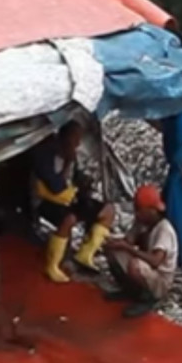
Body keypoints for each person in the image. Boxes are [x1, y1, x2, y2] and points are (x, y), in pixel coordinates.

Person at [34, 121, 116, 282]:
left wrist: (85, 182)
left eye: (79, 139)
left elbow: (76, 180)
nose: (77, 144)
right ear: (63, 138)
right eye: (74, 139)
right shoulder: (46, 155)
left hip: (70, 199)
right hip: (48, 201)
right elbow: (56, 186)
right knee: (68, 219)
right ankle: (52, 265)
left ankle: (85, 254)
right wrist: (67, 163)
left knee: (108, 211)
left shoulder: (72, 155)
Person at [104, 184, 178, 318]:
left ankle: (147, 299)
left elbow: (155, 261)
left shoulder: (164, 230)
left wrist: (128, 248)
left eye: (139, 210)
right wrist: (131, 233)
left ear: (151, 211)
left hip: (159, 279)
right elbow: (128, 241)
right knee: (113, 251)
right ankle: (129, 291)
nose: (136, 213)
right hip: (148, 270)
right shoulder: (144, 223)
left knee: (135, 265)